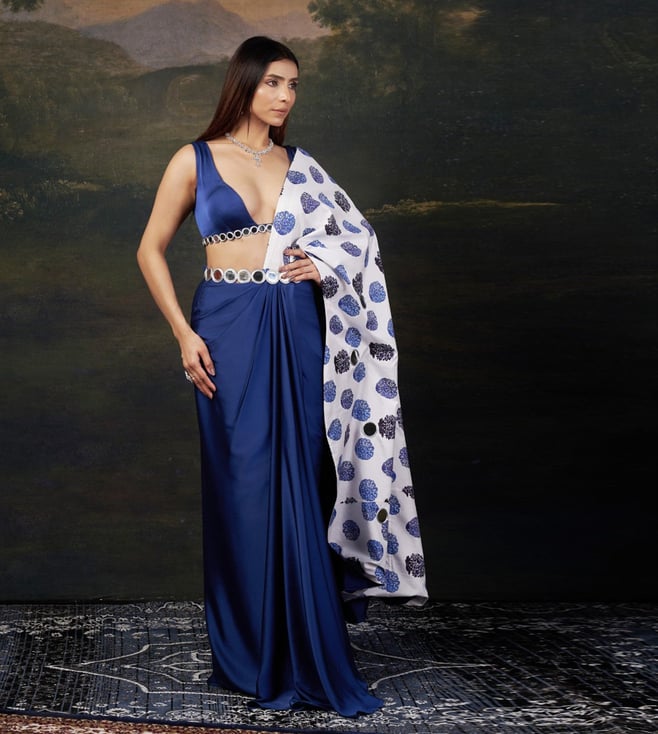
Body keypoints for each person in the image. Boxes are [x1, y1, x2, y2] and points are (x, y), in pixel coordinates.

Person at [137, 36, 426, 716]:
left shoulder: (302, 166)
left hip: (297, 324)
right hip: (225, 326)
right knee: (242, 482)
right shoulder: (194, 158)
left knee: (303, 474)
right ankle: (247, 650)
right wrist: (183, 333)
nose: (284, 96)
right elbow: (150, 249)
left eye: (293, 85)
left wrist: (320, 266)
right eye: (272, 82)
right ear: (243, 84)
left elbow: (359, 242)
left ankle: (308, 645)